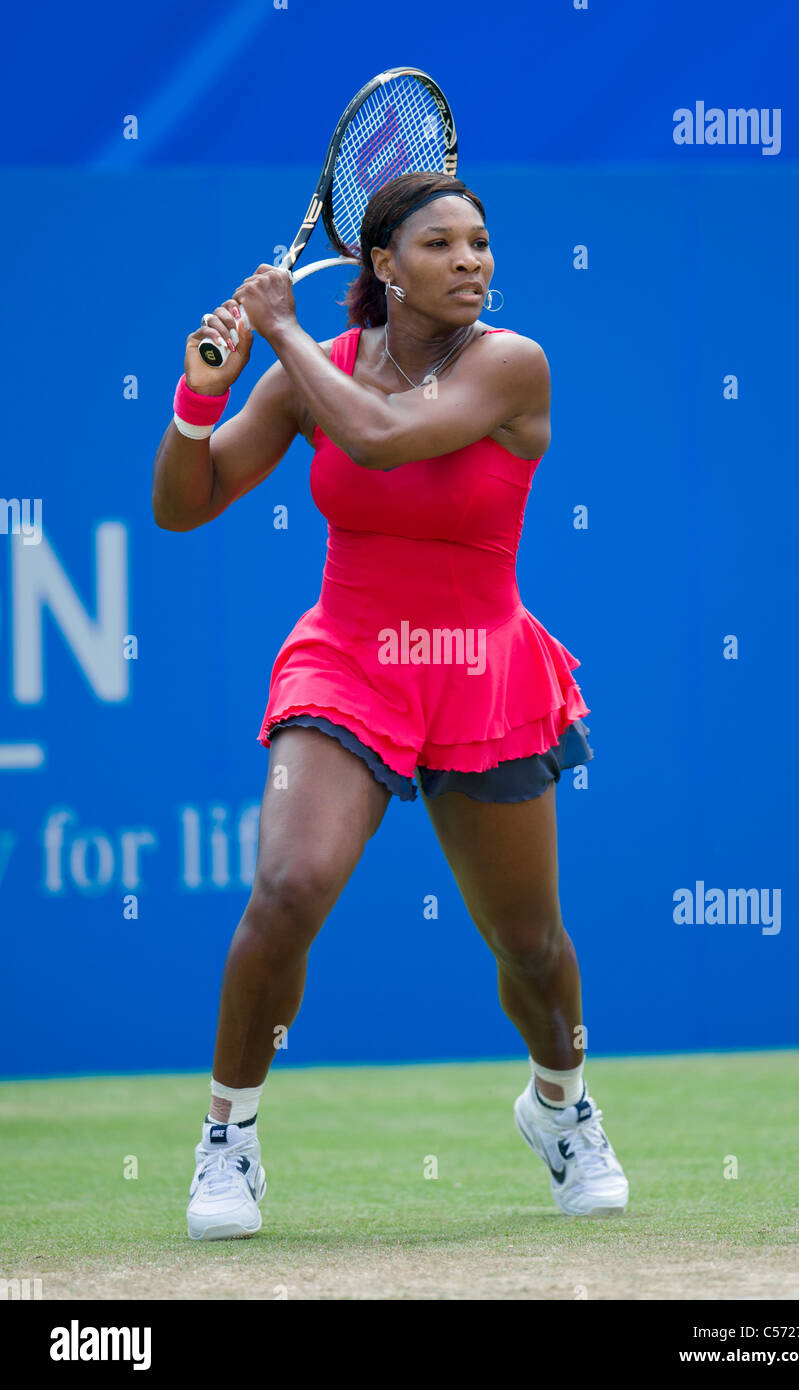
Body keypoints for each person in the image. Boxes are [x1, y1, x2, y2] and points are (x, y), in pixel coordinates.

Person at [152, 169, 629, 1240]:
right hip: (348, 662)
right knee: (287, 887)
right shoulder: (319, 370)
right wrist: (199, 395)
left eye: (480, 243)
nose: (472, 262)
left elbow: (373, 437)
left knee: (533, 949)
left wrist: (281, 335)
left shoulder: (511, 364)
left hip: (482, 667)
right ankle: (228, 1138)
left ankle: (560, 1104)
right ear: (382, 266)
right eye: (442, 246)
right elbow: (185, 507)